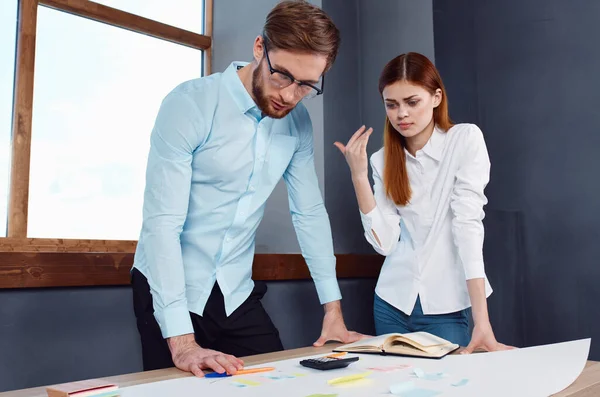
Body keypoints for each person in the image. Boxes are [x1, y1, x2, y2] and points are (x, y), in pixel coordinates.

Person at [131, 0, 365, 378]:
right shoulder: (189, 104)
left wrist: (333, 311)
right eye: (283, 76)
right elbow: (161, 225)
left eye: (306, 85)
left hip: (235, 288)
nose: (290, 95)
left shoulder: (297, 123)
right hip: (171, 282)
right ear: (260, 48)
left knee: (277, 382)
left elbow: (308, 213)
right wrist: (183, 341)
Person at [334, 52, 512, 354]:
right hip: (391, 302)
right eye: (392, 105)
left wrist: (482, 321)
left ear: (436, 97)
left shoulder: (464, 140)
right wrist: (359, 176)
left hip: (445, 305)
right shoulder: (381, 161)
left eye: (412, 102)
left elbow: (468, 227)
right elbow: (386, 244)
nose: (401, 113)